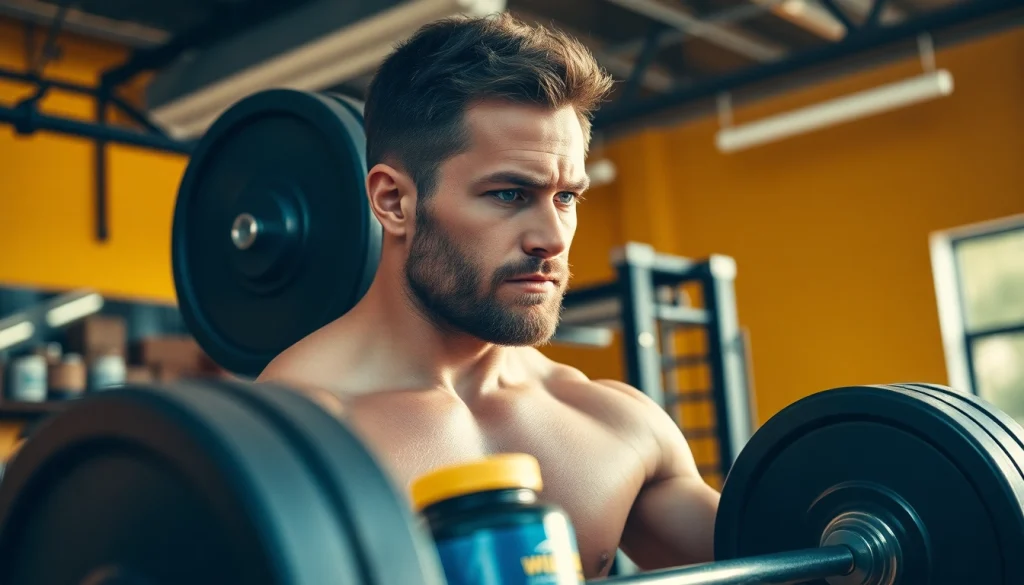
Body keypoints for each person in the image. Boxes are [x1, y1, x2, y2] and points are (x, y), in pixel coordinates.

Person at [257, 12, 720, 579]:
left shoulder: (615, 422)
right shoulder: (295, 436)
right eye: (509, 194)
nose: (552, 238)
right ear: (394, 202)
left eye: (566, 198)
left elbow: (789, 566)